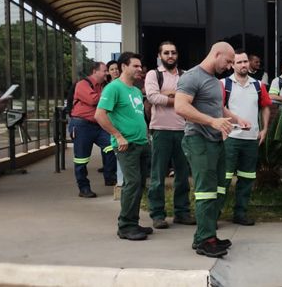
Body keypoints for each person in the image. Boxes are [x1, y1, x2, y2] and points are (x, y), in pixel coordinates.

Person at [175, 42, 251, 258]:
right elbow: (180, 107)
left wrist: (237, 119)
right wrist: (212, 122)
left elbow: (219, 108)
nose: (229, 66)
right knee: (206, 190)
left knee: (217, 188)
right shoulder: (192, 76)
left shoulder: (214, 82)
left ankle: (205, 235)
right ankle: (205, 240)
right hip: (198, 140)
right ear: (216, 54)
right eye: (227, 61)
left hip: (215, 141)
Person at [94, 52, 153, 241]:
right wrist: (118, 136)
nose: (139, 69)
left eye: (140, 66)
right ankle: (125, 226)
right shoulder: (113, 88)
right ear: (123, 67)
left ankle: (133, 223)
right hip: (126, 146)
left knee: (139, 184)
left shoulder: (136, 91)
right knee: (132, 183)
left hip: (142, 143)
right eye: (135, 66)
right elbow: (100, 115)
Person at [144, 41, 194, 229]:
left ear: (177, 55)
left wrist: (168, 95)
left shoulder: (185, 75)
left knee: (182, 175)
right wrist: (178, 98)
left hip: (183, 130)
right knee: (158, 175)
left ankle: (182, 212)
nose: (170, 56)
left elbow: (193, 98)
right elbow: (152, 97)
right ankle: (157, 214)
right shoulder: (153, 74)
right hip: (161, 131)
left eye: (173, 52)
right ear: (160, 55)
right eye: (166, 53)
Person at [219, 50, 271, 226]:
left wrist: (264, 129)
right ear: (232, 65)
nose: (243, 65)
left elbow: (265, 107)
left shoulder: (258, 85)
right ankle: (215, 214)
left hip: (251, 139)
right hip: (230, 138)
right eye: (239, 62)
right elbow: (218, 107)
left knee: (247, 178)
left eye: (245, 62)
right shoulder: (224, 84)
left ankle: (240, 214)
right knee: (223, 179)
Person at [69, 62, 116, 197]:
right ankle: (83, 187)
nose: (107, 73)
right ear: (94, 71)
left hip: (99, 125)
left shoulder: (104, 86)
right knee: (81, 158)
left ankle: (109, 176)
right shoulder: (83, 84)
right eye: (104, 71)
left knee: (111, 146)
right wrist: (111, 94)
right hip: (82, 125)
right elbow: (93, 99)